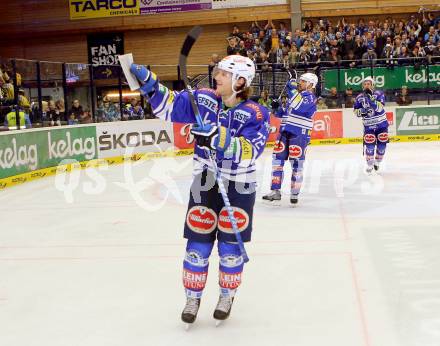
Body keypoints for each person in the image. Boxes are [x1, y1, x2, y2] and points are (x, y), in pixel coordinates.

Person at [129, 55, 270, 325]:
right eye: (217, 70)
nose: (216, 75)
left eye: (224, 73)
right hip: (204, 182)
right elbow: (169, 106)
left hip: (238, 185)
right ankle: (192, 298)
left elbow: (250, 151)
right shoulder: (204, 99)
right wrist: (148, 82)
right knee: (198, 245)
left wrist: (217, 137)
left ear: (240, 81)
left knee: (230, 248)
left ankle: (227, 295)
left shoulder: (256, 113)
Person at [262, 72, 318, 205]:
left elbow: (300, 106)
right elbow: (283, 114)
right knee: (277, 162)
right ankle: (275, 191)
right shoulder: (296, 96)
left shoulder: (311, 97)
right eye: (300, 81)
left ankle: (294, 193)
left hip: (299, 134)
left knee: (296, 164)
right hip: (284, 131)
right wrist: (276, 108)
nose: (300, 83)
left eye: (304, 81)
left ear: (311, 84)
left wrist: (292, 89)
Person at [353, 76, 388, 174]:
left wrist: (371, 100)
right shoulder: (359, 97)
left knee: (382, 146)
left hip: (381, 125)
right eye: (365, 84)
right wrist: (363, 111)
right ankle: (369, 164)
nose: (366, 85)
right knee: (370, 145)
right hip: (368, 126)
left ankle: (377, 162)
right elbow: (355, 112)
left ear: (372, 85)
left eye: (368, 84)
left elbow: (380, 108)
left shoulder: (379, 94)